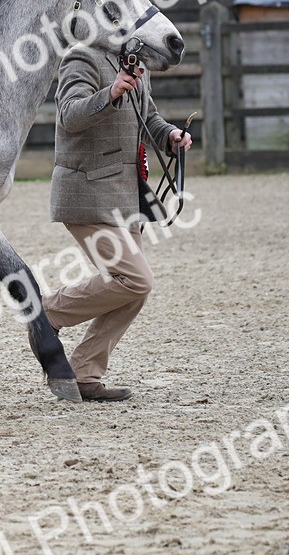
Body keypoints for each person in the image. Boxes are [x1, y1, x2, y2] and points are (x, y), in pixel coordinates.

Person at [42, 45, 192, 401]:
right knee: (136, 279)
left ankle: (84, 375)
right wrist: (109, 93)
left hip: (124, 194)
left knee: (132, 292)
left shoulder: (135, 62)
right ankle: (46, 312)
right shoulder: (81, 58)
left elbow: (148, 118)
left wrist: (169, 136)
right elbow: (69, 116)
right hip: (86, 191)